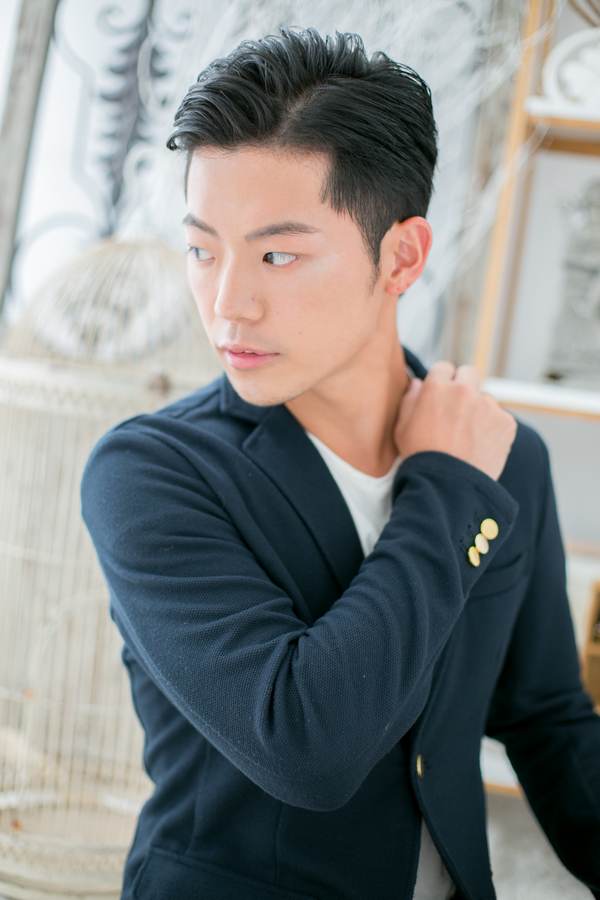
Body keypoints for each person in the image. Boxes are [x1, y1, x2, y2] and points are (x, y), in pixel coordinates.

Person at [81, 28, 600, 900]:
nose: (227, 304)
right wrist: (446, 491)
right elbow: (307, 749)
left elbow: (547, 720)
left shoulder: (508, 458)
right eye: (203, 249)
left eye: (277, 255)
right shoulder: (150, 473)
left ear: (401, 257)